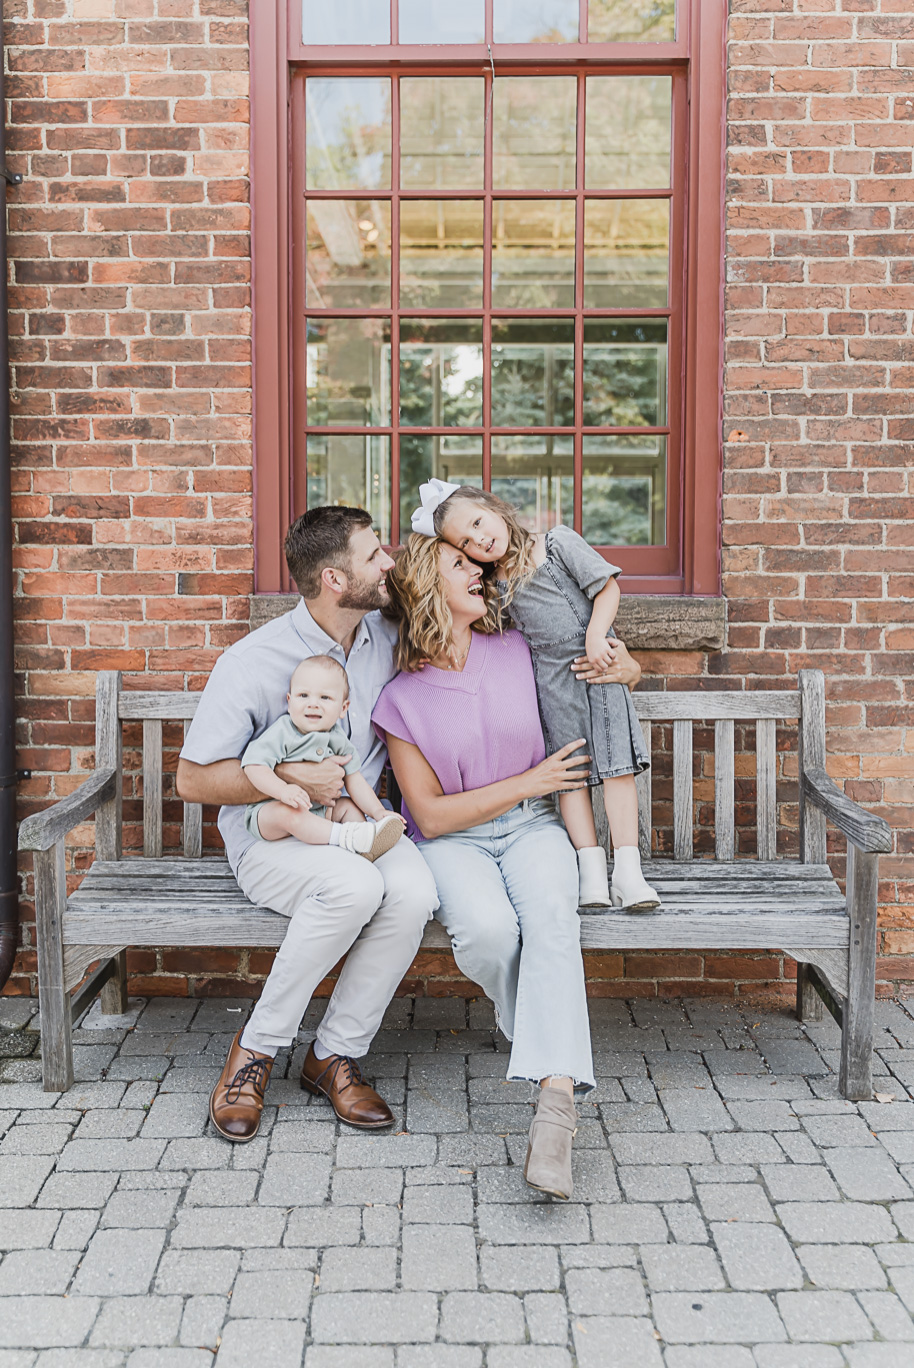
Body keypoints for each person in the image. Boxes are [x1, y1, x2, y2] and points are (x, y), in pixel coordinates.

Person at [177, 507, 438, 1144]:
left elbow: (474, 607)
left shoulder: (386, 633)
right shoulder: (253, 660)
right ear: (333, 579)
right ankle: (255, 1053)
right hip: (272, 835)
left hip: (352, 822)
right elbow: (192, 780)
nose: (390, 562)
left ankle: (333, 1055)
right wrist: (293, 777)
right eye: (375, 554)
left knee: (415, 893)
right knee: (354, 888)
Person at [372, 533, 598, 1200]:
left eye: (479, 564)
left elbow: (595, 674)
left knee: (554, 919)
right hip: (452, 844)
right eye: (461, 565)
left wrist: (622, 667)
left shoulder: (519, 650)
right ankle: (539, 1028)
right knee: (490, 932)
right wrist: (531, 780)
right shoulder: (400, 699)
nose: (479, 573)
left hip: (534, 831)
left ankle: (555, 1113)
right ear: (423, 587)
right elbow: (432, 816)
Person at [413, 479, 657, 912]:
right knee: (570, 776)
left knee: (617, 767)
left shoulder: (557, 544)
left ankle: (629, 872)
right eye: (466, 542)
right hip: (550, 684)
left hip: (598, 667)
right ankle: (591, 873)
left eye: (477, 523)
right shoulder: (491, 587)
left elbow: (606, 587)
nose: (481, 540)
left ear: (492, 506)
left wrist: (598, 637)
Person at [241, 654, 405, 860]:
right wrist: (283, 790)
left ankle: (366, 846)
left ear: (343, 708)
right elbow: (253, 765)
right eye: (303, 696)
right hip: (272, 815)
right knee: (290, 814)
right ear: (289, 702)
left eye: (325, 698)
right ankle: (346, 837)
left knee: (347, 807)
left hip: (321, 812)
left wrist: (378, 812)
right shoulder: (283, 731)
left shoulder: (337, 738)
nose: (313, 704)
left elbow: (354, 779)